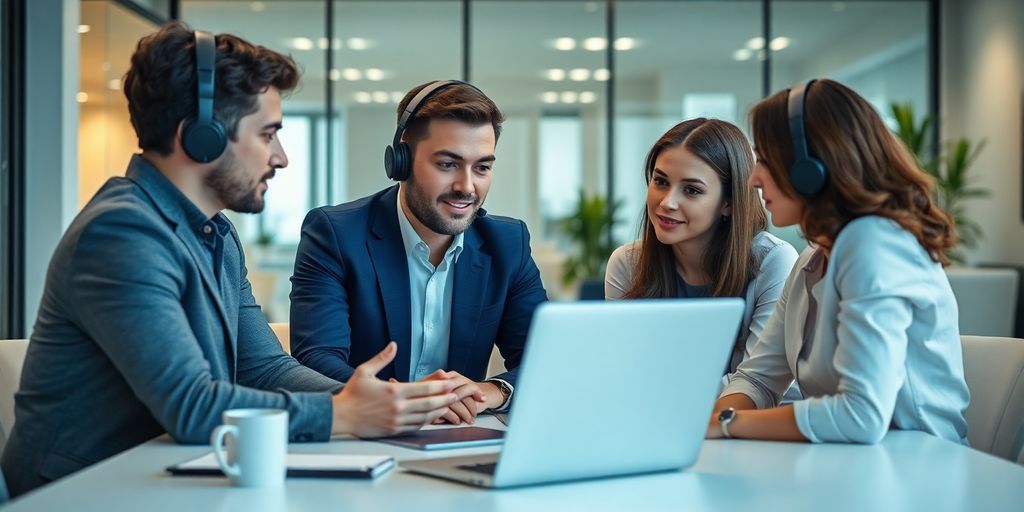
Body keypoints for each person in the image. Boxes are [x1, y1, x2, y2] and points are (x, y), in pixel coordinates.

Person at [1, 23, 461, 496]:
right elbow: (193, 406)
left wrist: (381, 400)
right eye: (268, 135)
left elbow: (263, 367)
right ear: (202, 137)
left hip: (171, 474)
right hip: (83, 492)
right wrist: (342, 413)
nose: (280, 158)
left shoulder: (216, 235)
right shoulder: (121, 233)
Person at [706, 79, 969, 444]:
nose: (752, 179)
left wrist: (727, 424)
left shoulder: (874, 242)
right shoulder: (813, 259)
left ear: (810, 168)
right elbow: (758, 379)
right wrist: (703, 428)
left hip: (921, 471)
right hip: (853, 466)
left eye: (765, 160)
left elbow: (861, 416)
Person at [289, 80, 548, 426]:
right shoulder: (335, 234)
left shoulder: (508, 244)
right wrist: (409, 401)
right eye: (447, 164)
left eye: (482, 167)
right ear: (401, 161)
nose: (466, 187)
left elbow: (546, 359)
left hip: (458, 437)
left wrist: (492, 390)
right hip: (366, 436)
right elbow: (316, 359)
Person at [605, 118, 797, 373]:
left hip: (744, 413)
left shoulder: (772, 261)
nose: (667, 203)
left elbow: (757, 385)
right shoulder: (628, 264)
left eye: (692, 190)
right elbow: (623, 371)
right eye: (661, 182)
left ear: (728, 203)